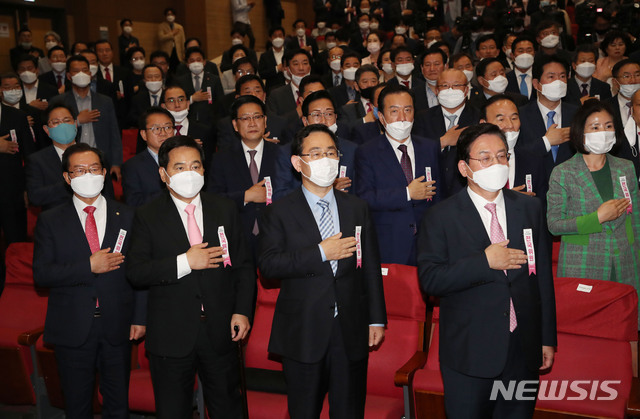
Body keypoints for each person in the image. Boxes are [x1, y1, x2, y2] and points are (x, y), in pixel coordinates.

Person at [418, 123, 556, 419]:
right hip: (470, 352)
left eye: (502, 156)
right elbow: (431, 280)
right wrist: (484, 261)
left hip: (523, 348)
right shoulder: (441, 216)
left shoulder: (529, 208)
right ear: (465, 168)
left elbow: (542, 277)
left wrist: (546, 338)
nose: (497, 164)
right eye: (486, 157)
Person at [258, 123, 387, 419]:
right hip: (303, 331)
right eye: (315, 153)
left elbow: (369, 266)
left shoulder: (357, 208)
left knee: (349, 410)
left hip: (350, 329)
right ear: (297, 162)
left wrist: (377, 319)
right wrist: (319, 253)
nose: (325, 159)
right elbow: (269, 265)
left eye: (330, 152)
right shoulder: (279, 211)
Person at [127, 136, 255, 418]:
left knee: (228, 408)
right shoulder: (146, 215)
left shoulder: (225, 208)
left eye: (196, 166)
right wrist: (185, 262)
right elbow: (136, 272)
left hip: (221, 331)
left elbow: (244, 267)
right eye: (180, 167)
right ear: (163, 174)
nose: (190, 174)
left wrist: (242, 312)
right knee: (173, 411)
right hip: (171, 334)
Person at [33, 143, 146, 419]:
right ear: (67, 177)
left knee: (118, 404)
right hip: (72, 326)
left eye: (94, 169)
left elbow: (140, 271)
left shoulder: (128, 215)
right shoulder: (50, 220)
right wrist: (88, 266)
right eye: (80, 170)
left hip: (117, 324)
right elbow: (42, 274)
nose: (88, 175)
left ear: (105, 172)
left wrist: (140, 317)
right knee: (77, 404)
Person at [547, 99, 640, 286]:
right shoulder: (563, 172)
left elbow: (636, 218)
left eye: (608, 126)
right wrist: (597, 218)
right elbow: (554, 224)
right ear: (580, 132)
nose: (603, 132)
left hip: (626, 261)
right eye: (595, 127)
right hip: (583, 263)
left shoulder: (625, 167)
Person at [355, 84, 441, 265]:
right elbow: (365, 198)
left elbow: (440, 195)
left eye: (407, 110)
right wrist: (407, 193)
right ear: (381, 116)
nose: (402, 118)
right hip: (390, 242)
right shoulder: (367, 152)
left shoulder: (429, 147)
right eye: (394, 111)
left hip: (429, 242)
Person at [207, 95, 280, 259]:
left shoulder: (282, 155)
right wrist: (245, 196)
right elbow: (212, 200)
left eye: (257, 117)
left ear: (265, 120)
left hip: (276, 237)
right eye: (245, 118)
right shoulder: (221, 159)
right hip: (238, 239)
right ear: (235, 124)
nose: (252, 123)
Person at [26, 104, 115, 210]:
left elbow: (108, 194)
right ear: (46, 129)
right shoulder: (37, 160)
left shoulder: (95, 155)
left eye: (67, 120)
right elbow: (35, 197)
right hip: (57, 220)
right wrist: (72, 183)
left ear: (75, 124)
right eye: (56, 122)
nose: (62, 125)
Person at [50, 55, 123, 182]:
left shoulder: (105, 101)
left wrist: (116, 163)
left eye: (84, 70)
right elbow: (53, 133)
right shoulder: (59, 102)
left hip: (100, 161)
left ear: (90, 74)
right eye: (76, 71)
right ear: (68, 76)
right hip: (71, 162)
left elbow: (114, 133)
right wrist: (77, 121)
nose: (81, 74)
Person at [414, 68, 481, 198]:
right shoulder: (422, 118)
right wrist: (442, 142)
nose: (450, 90)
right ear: (437, 90)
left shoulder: (478, 117)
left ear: (466, 90)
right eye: (444, 86)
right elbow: (416, 153)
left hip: (467, 193)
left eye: (456, 85)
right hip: (431, 191)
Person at [481, 94, 548, 200]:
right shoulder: (475, 161)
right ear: (484, 123)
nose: (510, 125)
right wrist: (506, 198)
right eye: (501, 119)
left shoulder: (533, 160)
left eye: (514, 118)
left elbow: (542, 205)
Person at [518, 54, 577, 173]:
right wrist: (546, 142)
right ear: (536, 83)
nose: (558, 82)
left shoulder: (578, 114)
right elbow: (516, 154)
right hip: (534, 183)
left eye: (562, 76)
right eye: (551, 77)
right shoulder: (520, 115)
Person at [122, 107, 174, 207]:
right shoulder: (132, 167)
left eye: (168, 127)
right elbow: (134, 203)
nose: (163, 133)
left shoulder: (185, 159)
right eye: (156, 129)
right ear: (144, 134)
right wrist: (172, 192)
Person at [266, 49, 312, 116]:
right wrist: (296, 114)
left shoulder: (320, 89)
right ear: (287, 69)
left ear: (310, 67)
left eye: (305, 63)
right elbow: (273, 123)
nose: (301, 68)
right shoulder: (276, 95)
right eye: (296, 64)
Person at [258, 26, 288, 93]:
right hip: (271, 90)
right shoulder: (264, 56)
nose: (278, 38)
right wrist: (277, 68)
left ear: (284, 37)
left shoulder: (290, 53)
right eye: (275, 36)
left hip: (289, 88)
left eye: (280, 36)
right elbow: (261, 74)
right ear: (270, 38)